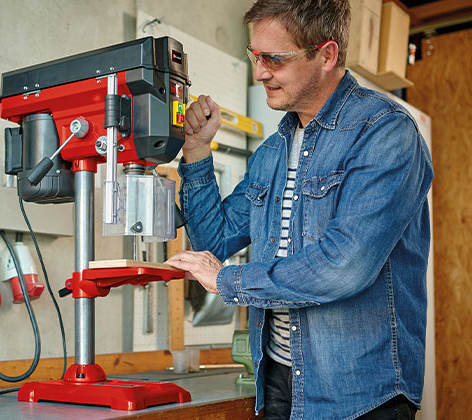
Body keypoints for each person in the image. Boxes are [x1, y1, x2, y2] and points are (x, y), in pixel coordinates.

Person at [164, 1, 433, 419]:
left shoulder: (384, 132)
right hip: (278, 382)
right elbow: (214, 241)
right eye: (255, 55)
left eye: (275, 58)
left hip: (360, 395)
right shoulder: (273, 152)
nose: (260, 72)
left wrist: (229, 280)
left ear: (326, 55)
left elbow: (344, 266)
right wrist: (197, 151)